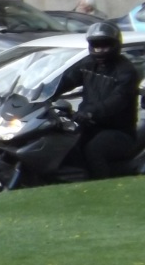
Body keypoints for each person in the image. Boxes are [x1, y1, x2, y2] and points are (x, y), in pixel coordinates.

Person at [56, 22, 138, 180]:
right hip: (88, 124)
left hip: (118, 130)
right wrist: (43, 92)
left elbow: (118, 100)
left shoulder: (126, 71)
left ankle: (102, 186)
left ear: (115, 45)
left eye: (104, 45)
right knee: (64, 143)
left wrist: (90, 112)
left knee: (95, 149)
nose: (99, 50)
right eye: (96, 45)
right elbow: (67, 79)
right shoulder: (88, 64)